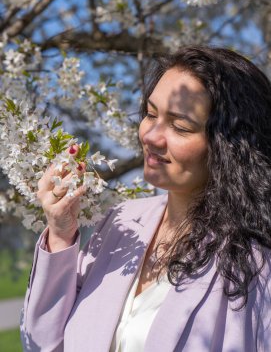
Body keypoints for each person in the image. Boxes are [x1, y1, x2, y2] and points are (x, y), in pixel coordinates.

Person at [20, 46, 271, 352]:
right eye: (151, 114)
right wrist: (60, 234)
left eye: (180, 126)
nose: (151, 136)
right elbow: (43, 343)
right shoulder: (122, 222)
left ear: (230, 148)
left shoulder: (252, 264)